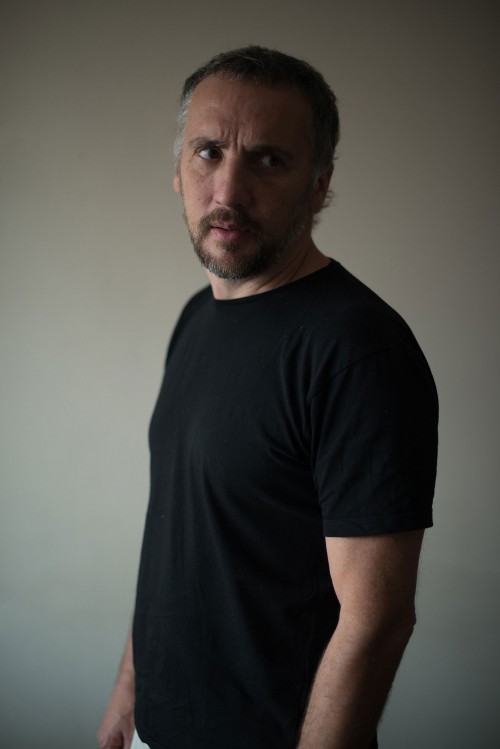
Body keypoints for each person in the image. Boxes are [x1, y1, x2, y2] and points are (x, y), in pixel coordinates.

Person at [97, 46, 438, 749]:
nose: (228, 190)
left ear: (319, 185)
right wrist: (129, 692)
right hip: (154, 726)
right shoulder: (197, 316)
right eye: (208, 152)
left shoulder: (357, 350)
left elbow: (378, 621)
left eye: (269, 160)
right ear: (178, 169)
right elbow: (178, 532)